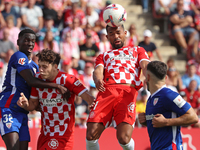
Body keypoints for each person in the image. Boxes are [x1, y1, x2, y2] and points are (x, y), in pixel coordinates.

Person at [0, 29, 69, 150]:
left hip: (22, 112)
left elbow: (36, 89)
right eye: (26, 40)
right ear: (18, 41)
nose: (30, 43)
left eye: (32, 41)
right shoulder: (18, 56)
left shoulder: (35, 67)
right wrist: (57, 86)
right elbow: (31, 81)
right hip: (8, 108)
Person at [86, 24, 150, 150]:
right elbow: (97, 71)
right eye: (111, 34)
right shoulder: (103, 55)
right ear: (107, 36)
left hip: (127, 93)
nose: (116, 36)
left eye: (118, 32)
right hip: (106, 91)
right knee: (91, 134)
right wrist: (98, 79)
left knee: (124, 139)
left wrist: (144, 78)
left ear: (125, 33)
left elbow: (146, 66)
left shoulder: (138, 50)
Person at [17, 49, 95, 150]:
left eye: (45, 67)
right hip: (45, 134)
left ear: (55, 66)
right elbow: (33, 104)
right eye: (40, 66)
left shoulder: (68, 79)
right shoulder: (37, 79)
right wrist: (25, 104)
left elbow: (90, 99)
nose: (40, 70)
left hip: (63, 134)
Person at [138, 61, 198, 150]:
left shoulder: (169, 95)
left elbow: (193, 117)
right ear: (166, 77)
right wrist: (147, 122)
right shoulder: (151, 99)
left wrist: (166, 122)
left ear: (148, 77)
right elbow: (160, 125)